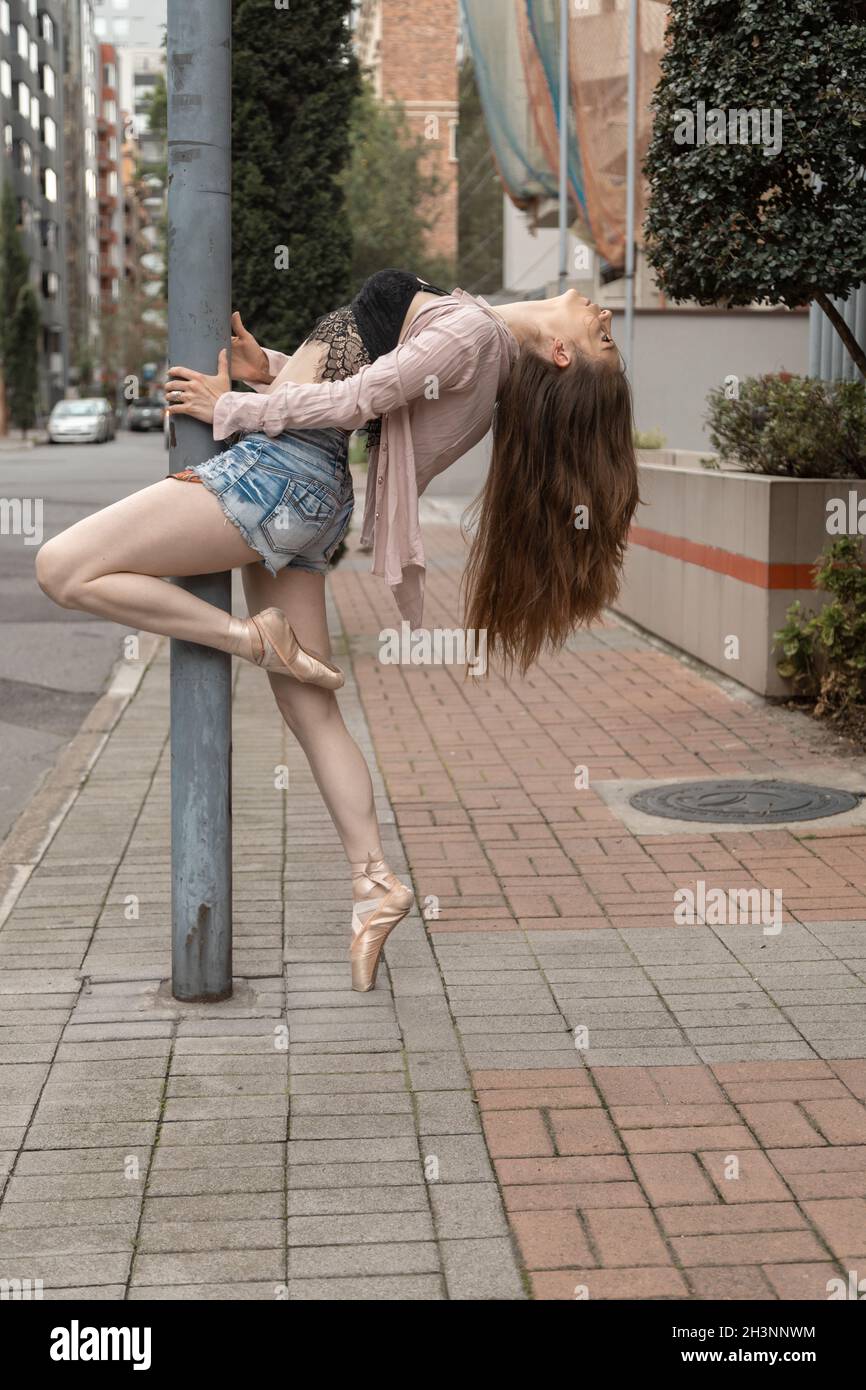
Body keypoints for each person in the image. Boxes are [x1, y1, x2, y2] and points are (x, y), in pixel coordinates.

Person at [35, 270, 638, 991]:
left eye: (603, 336)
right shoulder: (481, 346)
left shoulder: (475, 336)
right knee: (311, 709)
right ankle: (375, 884)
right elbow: (364, 390)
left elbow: (357, 400)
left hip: (277, 476)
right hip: (310, 494)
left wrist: (229, 406)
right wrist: (275, 372)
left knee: (63, 568)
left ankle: (247, 637)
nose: (604, 313)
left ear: (564, 355)